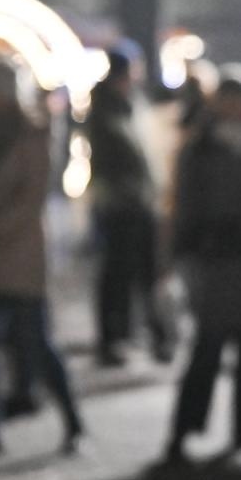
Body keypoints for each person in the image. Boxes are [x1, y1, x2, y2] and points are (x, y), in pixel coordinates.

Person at [0, 61, 84, 458]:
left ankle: (72, 419)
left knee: (36, 342)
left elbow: (29, 201)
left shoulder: (31, 135)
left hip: (17, 254)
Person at [163, 79, 241, 463]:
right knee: (207, 351)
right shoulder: (201, 148)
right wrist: (189, 248)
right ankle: (183, 430)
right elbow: (186, 204)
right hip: (218, 261)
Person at [81, 51, 173, 366]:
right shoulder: (107, 112)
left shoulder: (130, 106)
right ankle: (116, 339)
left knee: (144, 273)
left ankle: (152, 336)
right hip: (121, 205)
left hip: (138, 203)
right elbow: (115, 160)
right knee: (119, 275)